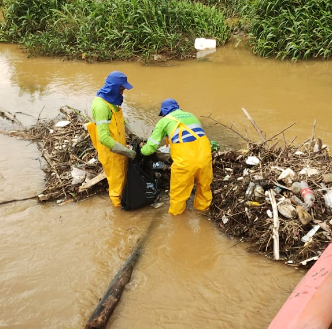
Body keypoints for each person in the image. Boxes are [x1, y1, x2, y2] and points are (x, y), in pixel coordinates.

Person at [141, 98, 213, 215]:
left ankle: (177, 222)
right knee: (204, 188)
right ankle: (202, 214)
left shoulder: (164, 121)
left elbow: (150, 148)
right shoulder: (191, 115)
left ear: (164, 112)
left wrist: (141, 151)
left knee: (178, 195)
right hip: (205, 158)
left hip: (184, 163)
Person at [86, 71, 136, 207]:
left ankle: (124, 202)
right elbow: (103, 138)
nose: (123, 92)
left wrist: (132, 134)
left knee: (122, 178)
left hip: (119, 149)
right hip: (111, 153)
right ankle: (118, 212)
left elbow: (121, 121)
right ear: (114, 87)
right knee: (116, 185)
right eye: (121, 89)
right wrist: (128, 152)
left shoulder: (112, 101)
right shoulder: (101, 106)